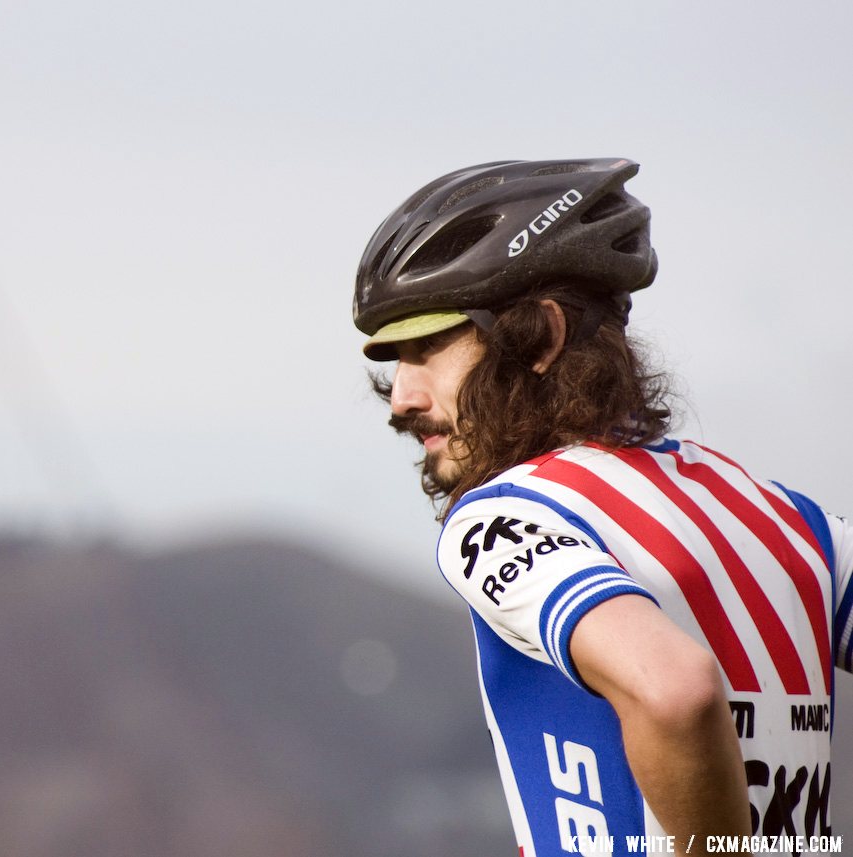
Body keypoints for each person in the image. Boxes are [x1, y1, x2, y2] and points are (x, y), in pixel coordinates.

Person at [353, 158, 850, 856]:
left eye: (428, 345)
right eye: (392, 357)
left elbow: (674, 689)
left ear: (543, 336)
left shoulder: (504, 517)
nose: (401, 395)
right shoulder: (793, 519)